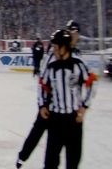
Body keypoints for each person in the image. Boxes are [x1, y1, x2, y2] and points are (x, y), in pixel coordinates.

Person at [16, 20, 82, 168]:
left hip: (66, 112)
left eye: (76, 32)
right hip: (50, 104)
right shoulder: (54, 55)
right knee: (38, 131)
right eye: (71, 32)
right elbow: (43, 80)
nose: (74, 35)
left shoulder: (77, 57)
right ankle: (23, 157)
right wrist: (43, 104)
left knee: (62, 148)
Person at [39, 28, 96, 169]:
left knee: (73, 161)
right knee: (50, 162)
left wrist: (84, 107)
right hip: (55, 119)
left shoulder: (78, 64)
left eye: (56, 47)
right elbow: (42, 85)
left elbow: (92, 83)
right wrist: (42, 106)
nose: (54, 50)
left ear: (64, 46)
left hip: (73, 120)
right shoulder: (51, 65)